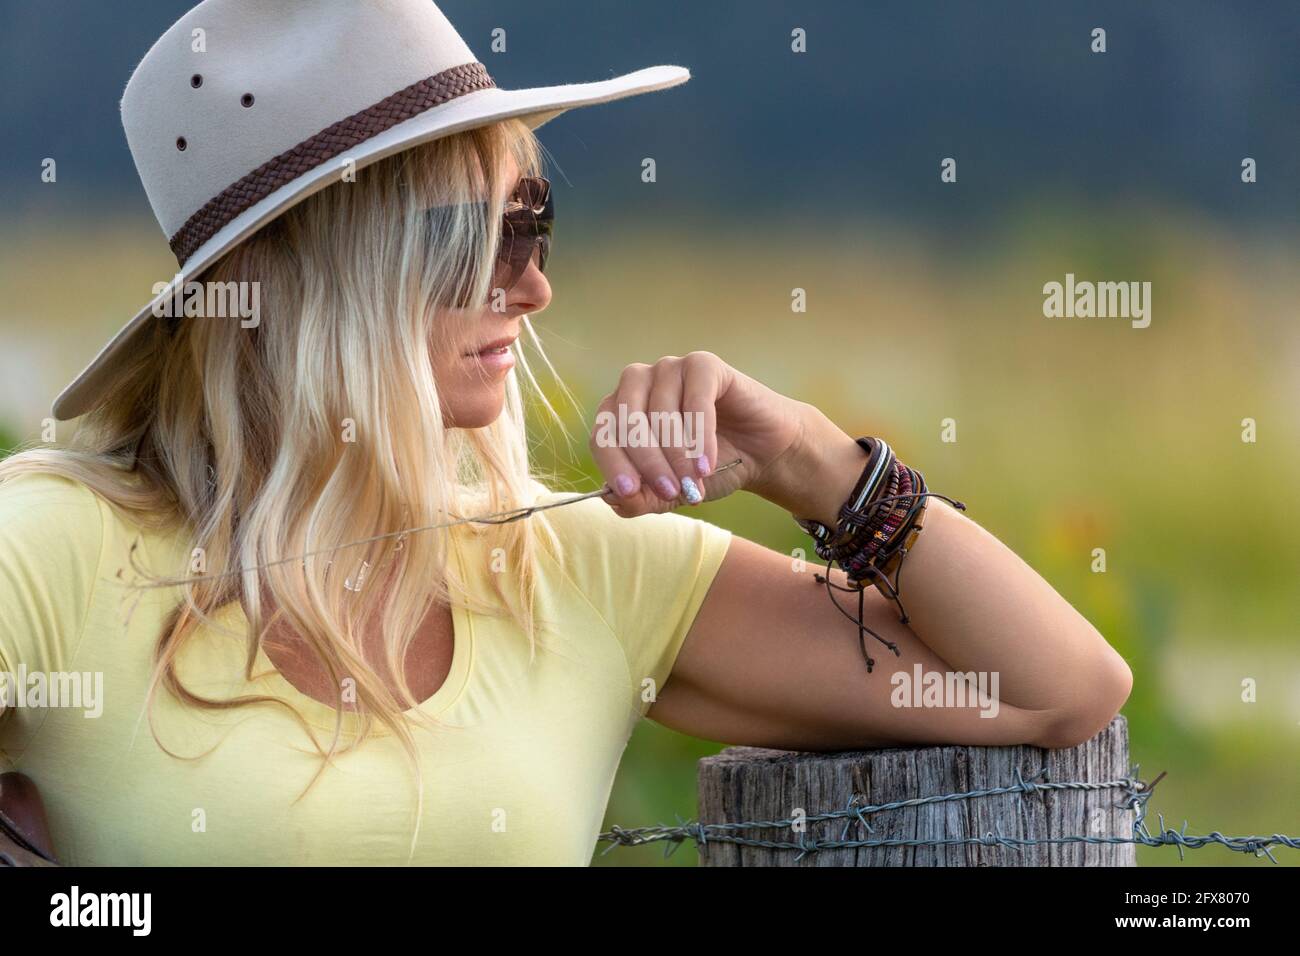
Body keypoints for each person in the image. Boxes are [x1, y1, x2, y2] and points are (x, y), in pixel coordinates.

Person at [0, 0, 1131, 865]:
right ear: (296, 280)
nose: (533, 288)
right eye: (480, 241)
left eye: (535, 227)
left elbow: (1056, 684)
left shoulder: (575, 567)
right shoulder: (52, 549)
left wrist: (809, 459)